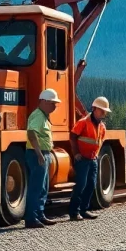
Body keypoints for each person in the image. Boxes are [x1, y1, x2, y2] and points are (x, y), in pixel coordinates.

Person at [24, 89, 62, 228]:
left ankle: (39, 214)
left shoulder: (43, 116)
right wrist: (39, 153)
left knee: (43, 187)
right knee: (36, 187)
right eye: (53, 103)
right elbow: (31, 133)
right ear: (45, 102)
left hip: (42, 153)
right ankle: (31, 218)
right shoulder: (38, 116)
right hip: (37, 155)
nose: (54, 106)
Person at [69, 96, 110, 221]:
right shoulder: (83, 122)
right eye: (102, 110)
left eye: (104, 111)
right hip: (83, 160)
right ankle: (74, 212)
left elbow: (100, 141)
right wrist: (76, 153)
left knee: (91, 184)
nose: (103, 113)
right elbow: (73, 136)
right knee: (81, 185)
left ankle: (84, 210)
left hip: (92, 160)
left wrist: (96, 155)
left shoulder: (102, 126)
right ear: (94, 108)